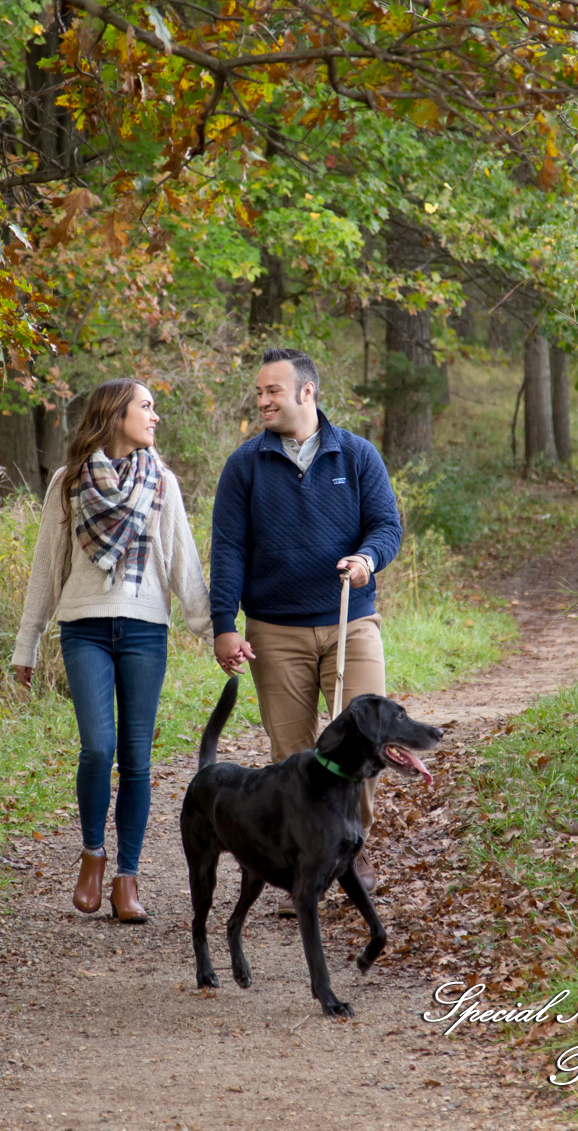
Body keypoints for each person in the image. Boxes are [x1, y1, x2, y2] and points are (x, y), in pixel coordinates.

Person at [12, 378, 211, 924]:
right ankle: (92, 858)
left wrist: (216, 632)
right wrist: (26, 643)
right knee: (99, 749)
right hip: (85, 630)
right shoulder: (68, 481)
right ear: (114, 414)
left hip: (146, 631)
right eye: (146, 407)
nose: (155, 417)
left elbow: (184, 566)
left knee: (138, 759)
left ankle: (128, 877)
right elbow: (46, 569)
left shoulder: (162, 482)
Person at [210, 347, 402, 905]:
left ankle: (353, 844)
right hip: (275, 630)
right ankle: (305, 863)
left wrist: (367, 559)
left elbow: (386, 525)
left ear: (306, 392)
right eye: (260, 391)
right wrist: (226, 624)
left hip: (351, 623)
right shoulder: (244, 465)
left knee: (367, 742)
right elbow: (227, 549)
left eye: (272, 390)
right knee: (294, 756)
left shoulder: (358, 456)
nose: (262, 400)